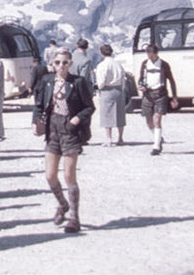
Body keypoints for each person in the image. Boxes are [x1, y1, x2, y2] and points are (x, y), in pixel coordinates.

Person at [33, 47, 94, 233]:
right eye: (57, 62)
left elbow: (89, 107)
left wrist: (77, 119)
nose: (61, 66)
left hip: (70, 130)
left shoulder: (78, 82)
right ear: (52, 64)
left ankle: (74, 217)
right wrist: (36, 121)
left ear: (70, 63)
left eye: (65, 62)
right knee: (50, 174)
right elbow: (38, 105)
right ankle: (62, 203)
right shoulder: (46, 81)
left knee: (69, 175)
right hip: (52, 129)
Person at [136, 44, 177, 156]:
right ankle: (158, 137)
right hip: (147, 94)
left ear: (156, 53)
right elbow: (140, 79)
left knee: (157, 119)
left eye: (151, 54)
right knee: (149, 121)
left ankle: (156, 146)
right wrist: (140, 86)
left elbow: (171, 81)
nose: (149, 56)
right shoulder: (144, 64)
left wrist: (174, 97)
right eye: (148, 54)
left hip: (160, 94)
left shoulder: (164, 65)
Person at [93, 44, 130, 146]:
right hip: (118, 89)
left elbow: (101, 80)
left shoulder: (102, 65)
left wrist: (99, 87)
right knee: (120, 114)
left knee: (107, 114)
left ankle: (109, 138)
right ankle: (120, 138)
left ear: (101, 53)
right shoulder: (118, 64)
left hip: (107, 90)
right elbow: (123, 77)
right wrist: (121, 88)